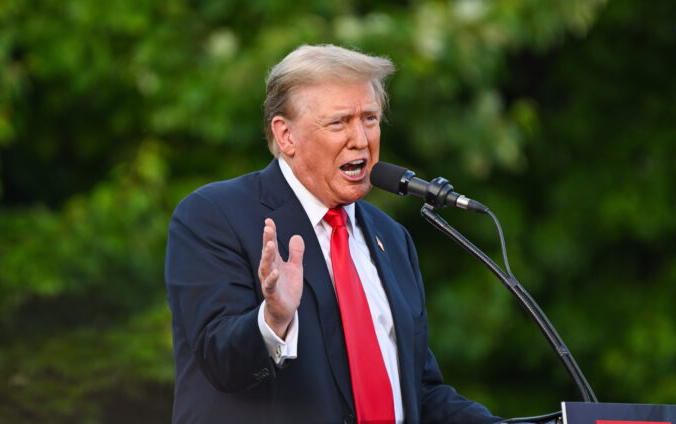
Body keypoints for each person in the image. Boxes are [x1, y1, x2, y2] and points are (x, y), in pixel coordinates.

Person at [165, 44, 504, 424]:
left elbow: (418, 394)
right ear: (286, 135)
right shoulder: (215, 215)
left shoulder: (391, 238)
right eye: (340, 122)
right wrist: (273, 319)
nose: (360, 139)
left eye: (370, 119)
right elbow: (221, 362)